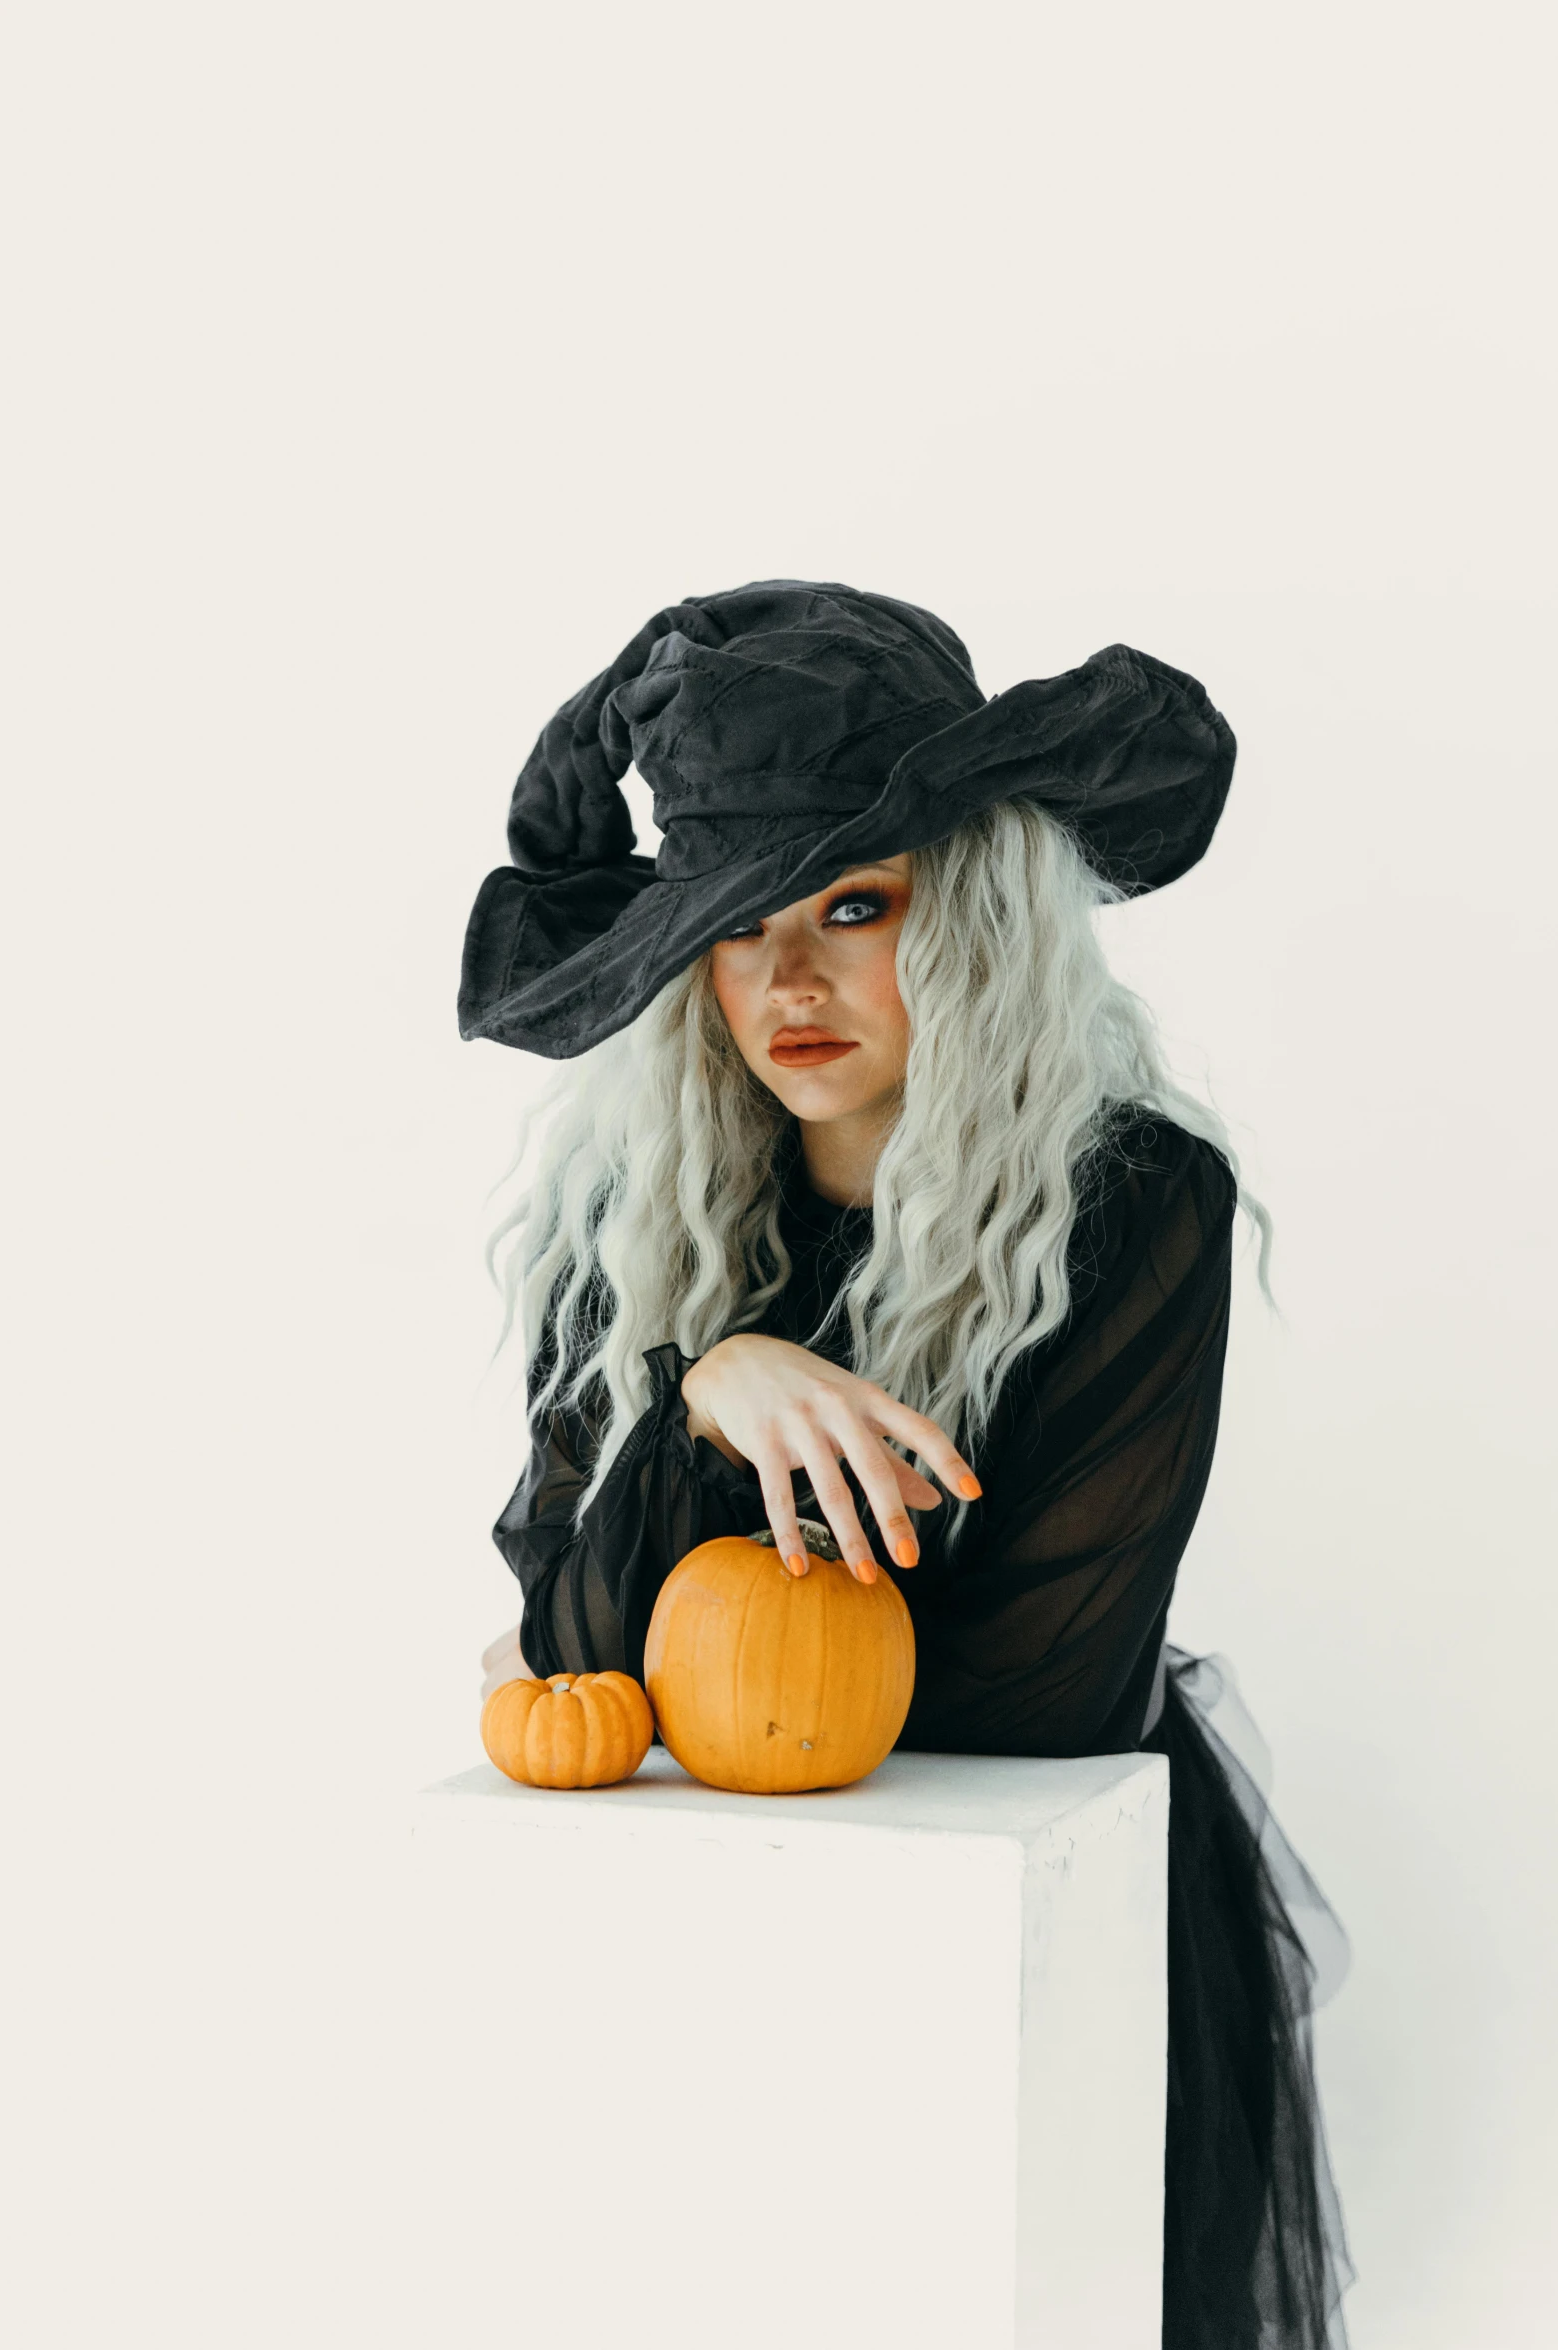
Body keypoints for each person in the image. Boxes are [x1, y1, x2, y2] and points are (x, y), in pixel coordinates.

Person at [460, 581, 1354, 2350]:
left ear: (977, 916)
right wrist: (709, 1384)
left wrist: (658, 1606)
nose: (784, 981)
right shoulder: (626, 1239)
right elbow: (564, 1658)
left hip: (1005, 1964)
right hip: (693, 1946)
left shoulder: (1127, 1208)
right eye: (732, 926)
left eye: (853, 908)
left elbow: (1033, 1699)